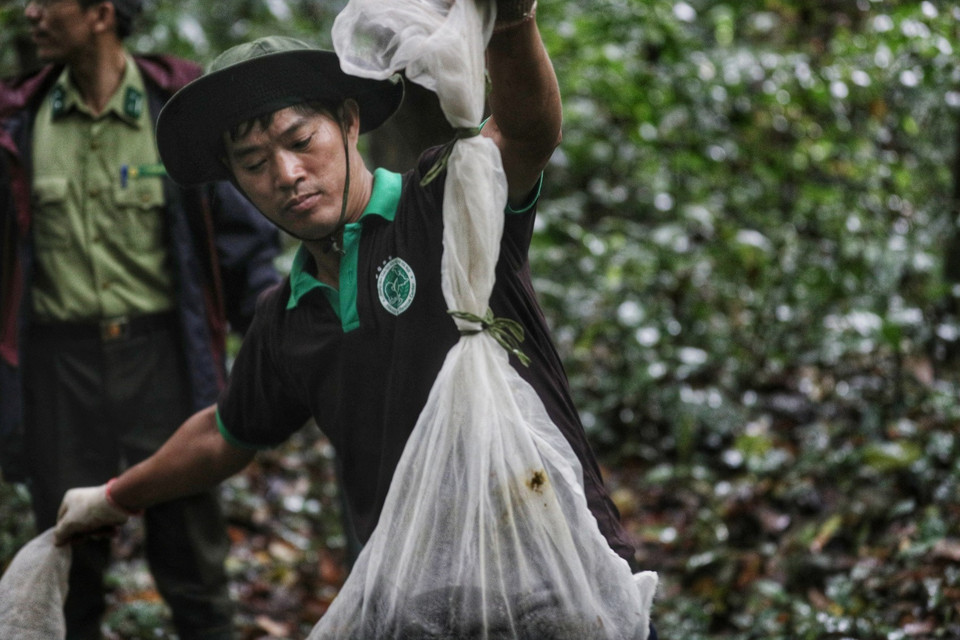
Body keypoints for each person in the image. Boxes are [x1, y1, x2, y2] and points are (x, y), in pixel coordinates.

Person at [54, 2, 657, 638]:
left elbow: (527, 134)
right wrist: (115, 498)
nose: (286, 175)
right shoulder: (286, 317)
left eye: (299, 141)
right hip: (421, 604)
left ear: (347, 122)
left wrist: (511, 22)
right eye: (254, 164)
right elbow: (223, 435)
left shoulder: (441, 201)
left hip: (556, 578)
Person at [0, 0, 282, 638]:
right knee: (69, 571)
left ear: (101, 12)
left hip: (163, 364)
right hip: (58, 375)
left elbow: (239, 243)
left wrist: (279, 332)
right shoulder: (18, 117)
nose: (30, 12)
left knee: (195, 574)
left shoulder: (176, 107)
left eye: (48, 1)